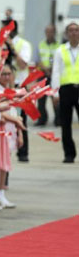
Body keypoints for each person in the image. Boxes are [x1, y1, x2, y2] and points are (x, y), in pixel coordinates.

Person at [4, 20, 33, 162]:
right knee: (5, 117)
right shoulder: (1, 44)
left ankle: (23, 152)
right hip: (6, 86)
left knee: (21, 119)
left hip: (20, 86)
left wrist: (12, 49)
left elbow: (23, 64)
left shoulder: (24, 44)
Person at [51, 22, 79, 163]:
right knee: (66, 124)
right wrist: (55, 92)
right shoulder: (60, 50)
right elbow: (56, 71)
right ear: (67, 33)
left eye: (76, 30)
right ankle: (69, 153)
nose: (74, 33)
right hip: (66, 89)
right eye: (71, 30)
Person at [35, 25, 60, 127]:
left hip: (55, 75)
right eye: (47, 32)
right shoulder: (41, 45)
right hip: (43, 75)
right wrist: (45, 69)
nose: (49, 34)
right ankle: (42, 119)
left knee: (56, 97)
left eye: (51, 32)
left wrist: (52, 69)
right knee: (41, 99)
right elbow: (37, 60)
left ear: (55, 33)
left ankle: (58, 120)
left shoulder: (59, 46)